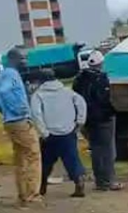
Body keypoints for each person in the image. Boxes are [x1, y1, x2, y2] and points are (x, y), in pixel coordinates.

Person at [0, 47, 42, 205]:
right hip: (20, 120)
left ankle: (23, 195)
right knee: (33, 155)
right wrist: (15, 108)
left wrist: (0, 106)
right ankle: (32, 195)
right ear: (12, 59)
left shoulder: (2, 75)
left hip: (10, 122)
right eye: (22, 58)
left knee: (21, 158)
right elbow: (3, 91)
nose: (26, 62)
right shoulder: (11, 74)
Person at [30, 69, 87, 198]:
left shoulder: (38, 95)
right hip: (68, 131)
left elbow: (36, 114)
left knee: (45, 162)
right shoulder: (67, 91)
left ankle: (41, 186)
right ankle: (78, 180)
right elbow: (81, 103)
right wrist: (79, 122)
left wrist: (43, 132)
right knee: (72, 158)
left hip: (50, 134)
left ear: (40, 80)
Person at [72, 50, 122, 191]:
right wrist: (112, 111)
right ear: (101, 63)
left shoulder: (79, 79)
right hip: (103, 119)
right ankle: (108, 181)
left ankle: (100, 181)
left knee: (96, 150)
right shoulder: (101, 79)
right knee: (107, 151)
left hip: (86, 119)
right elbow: (104, 100)